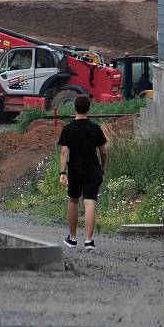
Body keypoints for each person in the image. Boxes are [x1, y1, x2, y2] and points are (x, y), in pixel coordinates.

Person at [57, 95, 107, 250]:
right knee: (90, 202)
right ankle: (88, 241)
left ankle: (72, 238)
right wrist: (102, 167)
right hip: (93, 169)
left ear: (74, 108)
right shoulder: (95, 128)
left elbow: (64, 152)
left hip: (75, 170)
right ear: (88, 109)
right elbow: (103, 152)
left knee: (73, 200)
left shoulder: (68, 129)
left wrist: (62, 172)